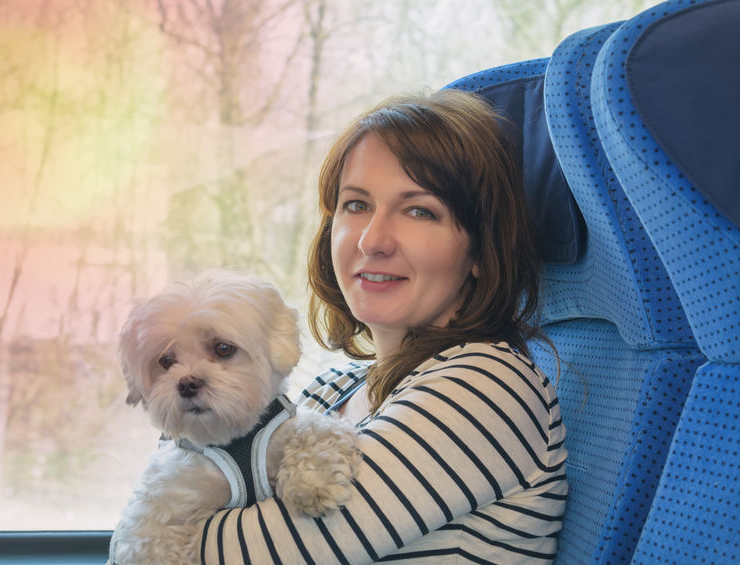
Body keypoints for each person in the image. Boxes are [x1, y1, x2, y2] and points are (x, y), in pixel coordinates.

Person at [199, 89, 568, 563]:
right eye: (356, 205)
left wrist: (157, 521)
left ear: (479, 250)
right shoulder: (333, 390)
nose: (373, 239)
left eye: (420, 211)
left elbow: (230, 554)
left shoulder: (487, 386)